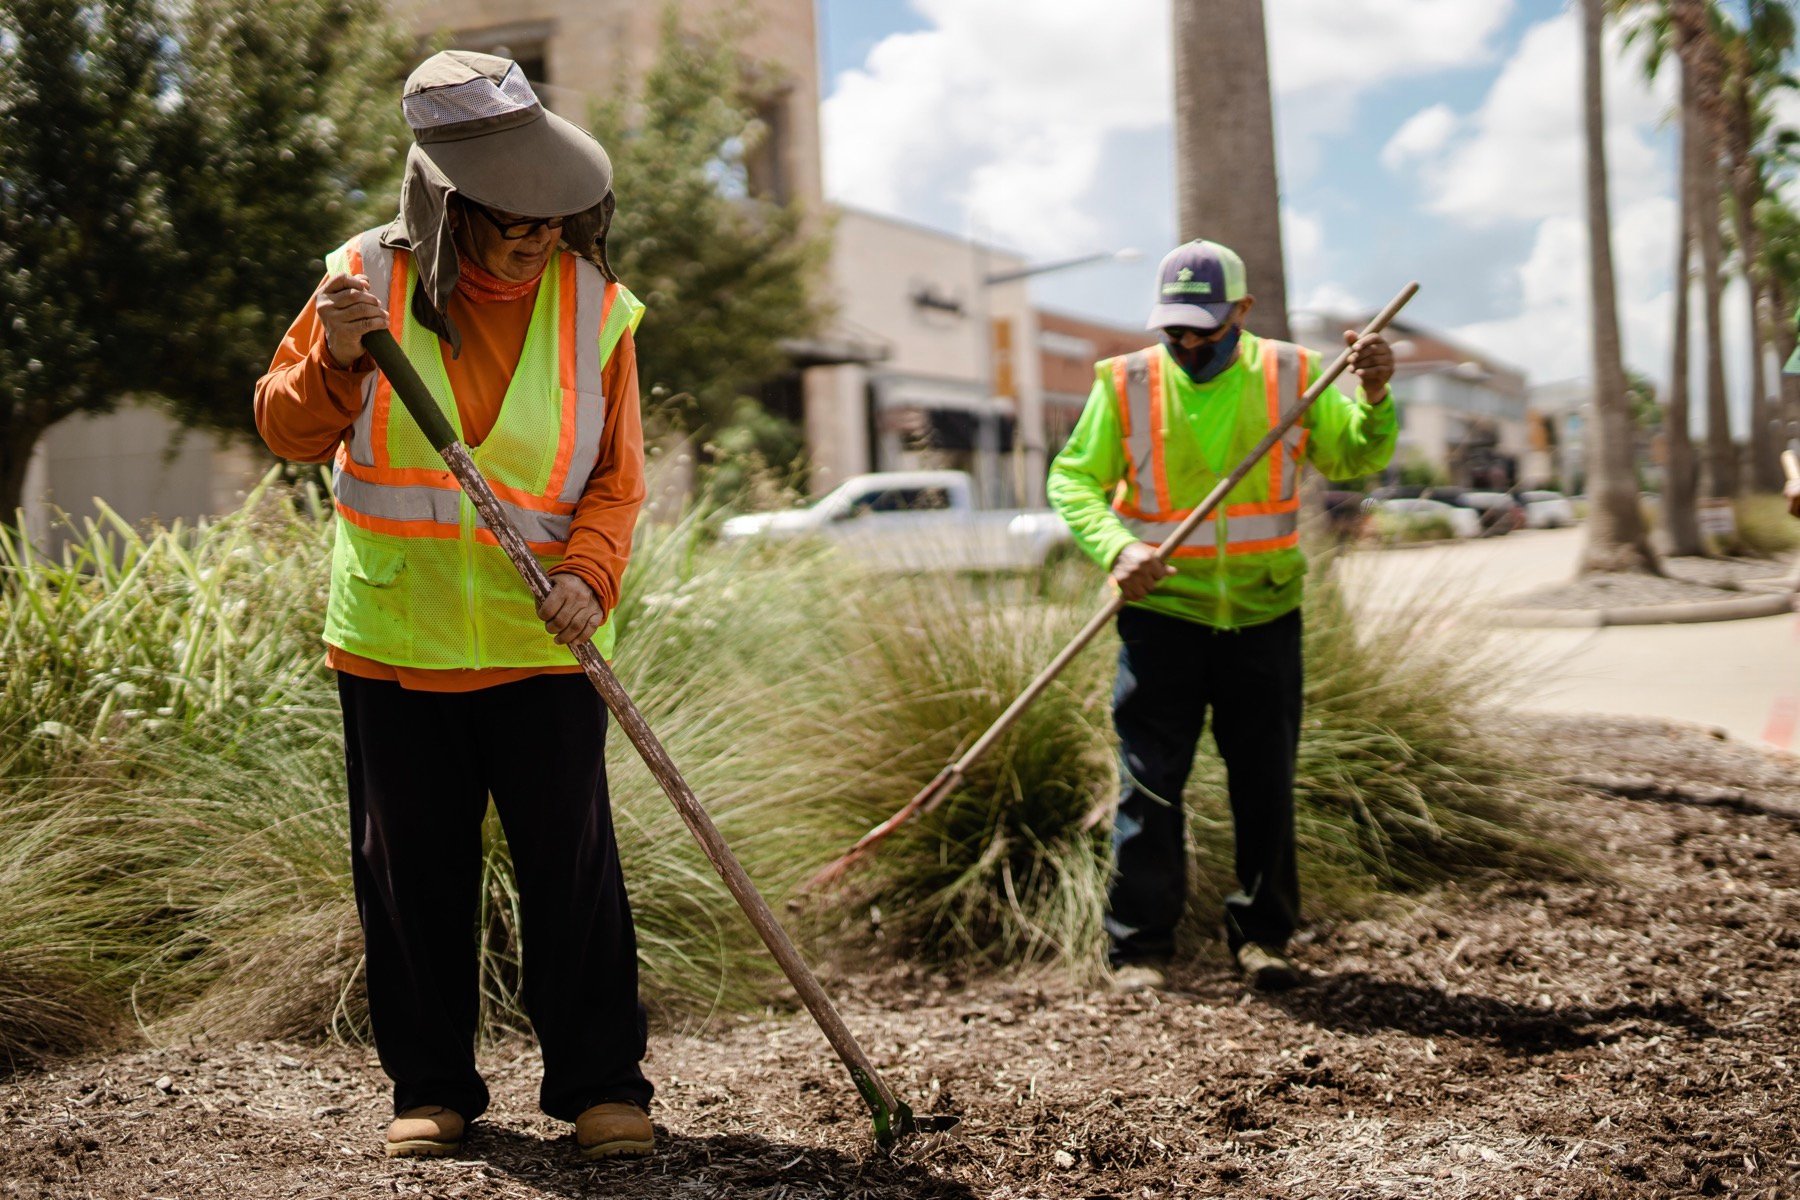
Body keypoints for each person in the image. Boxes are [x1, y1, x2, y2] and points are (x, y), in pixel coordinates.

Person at [254, 51, 655, 1161]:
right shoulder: (357, 283)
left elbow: (616, 478)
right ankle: (430, 1089)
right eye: (509, 217)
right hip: (397, 645)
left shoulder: (597, 310)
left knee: (571, 873)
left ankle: (601, 1086)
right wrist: (333, 361)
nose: (537, 236)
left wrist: (590, 573)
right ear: (443, 204)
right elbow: (287, 431)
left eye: (552, 215)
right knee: (410, 877)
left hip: (544, 644)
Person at [1047, 240, 1397, 992]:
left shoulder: (1296, 374)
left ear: (1243, 309)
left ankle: (1263, 939)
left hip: (1264, 615)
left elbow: (1353, 459)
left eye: (1206, 323)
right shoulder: (1125, 382)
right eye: (1175, 325)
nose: (1188, 341)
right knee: (1150, 785)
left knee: (1264, 783)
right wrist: (1116, 548)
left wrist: (1372, 395)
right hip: (1163, 615)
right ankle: (1139, 949)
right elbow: (1074, 480)